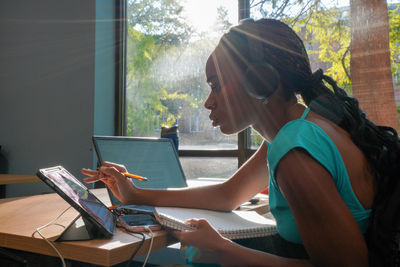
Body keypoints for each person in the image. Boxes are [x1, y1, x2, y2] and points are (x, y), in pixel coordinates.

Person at [82, 18, 400, 266]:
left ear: (260, 81)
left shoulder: (295, 151)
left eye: (217, 85)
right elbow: (227, 195)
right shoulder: (296, 128)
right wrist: (134, 193)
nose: (208, 102)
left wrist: (224, 251)